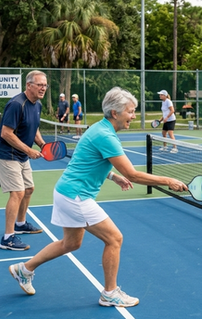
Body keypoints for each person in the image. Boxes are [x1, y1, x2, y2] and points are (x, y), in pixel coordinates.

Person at [8, 87, 188, 307]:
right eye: (130, 112)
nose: (133, 116)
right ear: (115, 113)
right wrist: (169, 181)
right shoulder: (106, 136)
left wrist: (112, 176)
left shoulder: (98, 128)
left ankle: (24, 269)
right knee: (114, 238)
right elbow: (132, 174)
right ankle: (110, 293)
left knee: (70, 243)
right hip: (76, 197)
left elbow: (87, 161)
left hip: (66, 192)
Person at [0, 70, 47, 251]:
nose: (43, 88)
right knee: (17, 192)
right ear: (29, 85)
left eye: (45, 85)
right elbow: (6, 133)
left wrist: (42, 144)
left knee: (29, 189)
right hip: (8, 154)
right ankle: (8, 238)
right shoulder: (16, 104)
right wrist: (29, 150)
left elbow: (34, 127)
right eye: (39, 85)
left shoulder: (37, 104)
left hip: (22, 155)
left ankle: (20, 224)